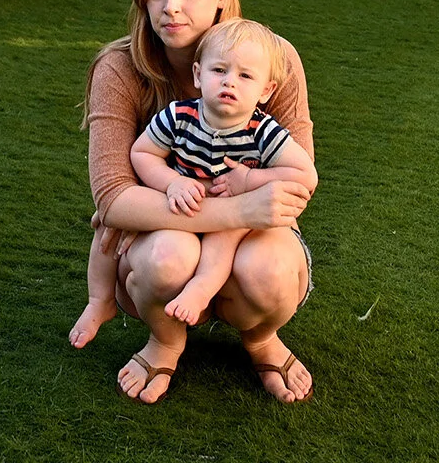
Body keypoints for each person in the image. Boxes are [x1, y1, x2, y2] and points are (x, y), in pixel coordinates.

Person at [69, 0, 317, 404]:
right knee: (168, 256)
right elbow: (114, 198)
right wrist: (241, 208)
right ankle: (164, 341)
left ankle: (262, 339)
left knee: (269, 271)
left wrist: (246, 201)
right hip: (167, 233)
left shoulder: (271, 59)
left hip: (239, 236)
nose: (171, 7)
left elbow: (297, 185)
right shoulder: (120, 68)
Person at [131, 19, 318, 325]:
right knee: (107, 230)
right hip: (188, 208)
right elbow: (143, 153)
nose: (230, 82)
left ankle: (201, 289)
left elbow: (305, 175)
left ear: (266, 90)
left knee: (226, 236)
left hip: (237, 215)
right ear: (198, 75)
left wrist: (249, 179)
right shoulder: (179, 116)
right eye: (219, 70)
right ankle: (100, 302)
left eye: (245, 76)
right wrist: (172, 182)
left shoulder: (262, 130)